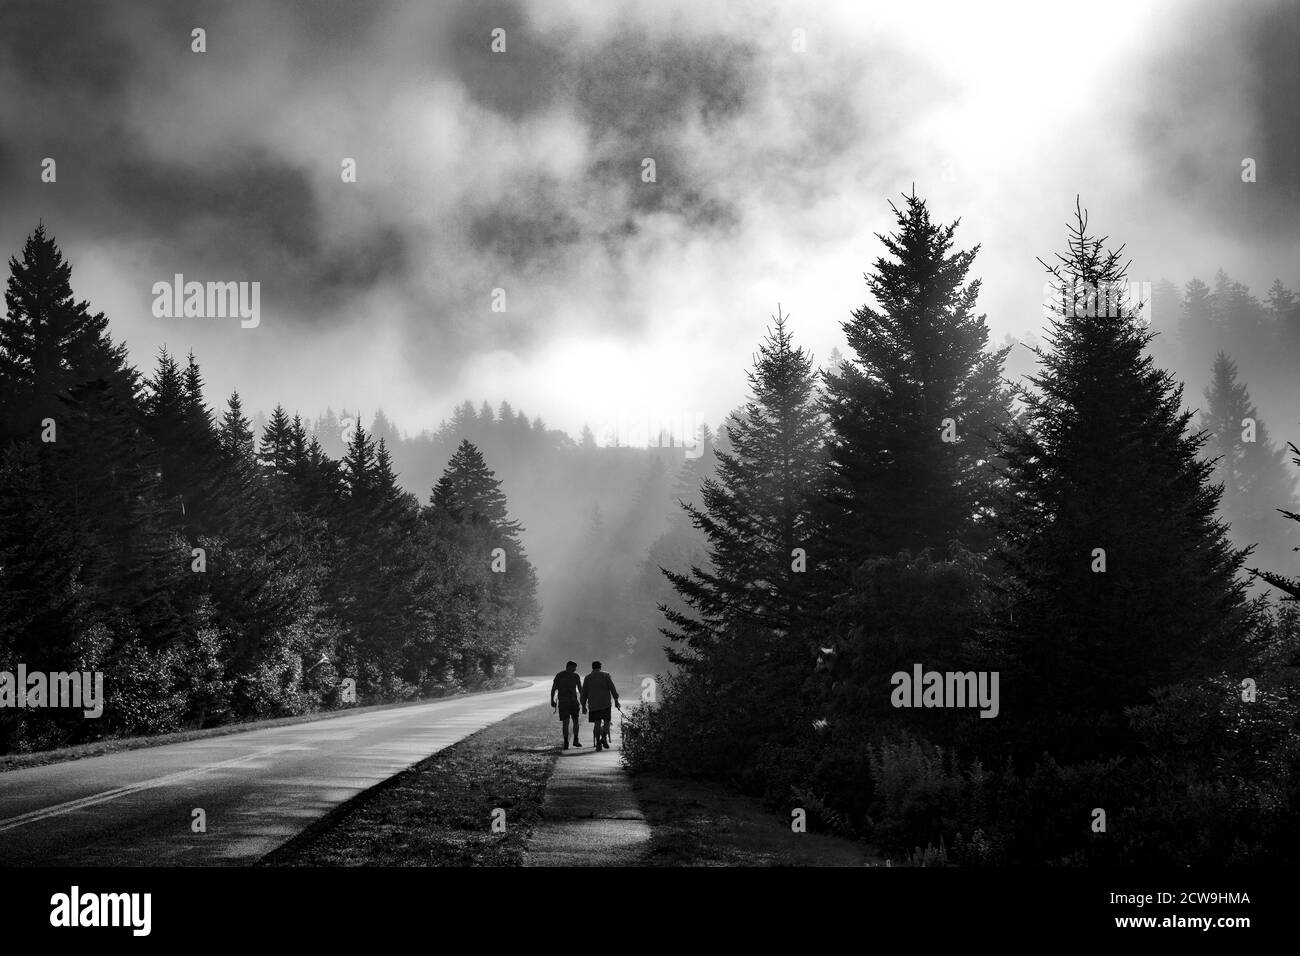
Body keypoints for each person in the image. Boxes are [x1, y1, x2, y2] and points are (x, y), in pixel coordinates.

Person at [581, 661, 620, 751]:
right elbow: (612, 688)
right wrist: (616, 700)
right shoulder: (606, 675)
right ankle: (604, 738)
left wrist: (583, 705)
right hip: (605, 703)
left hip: (593, 704)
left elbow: (584, 692)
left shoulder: (587, 678)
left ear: (592, 667)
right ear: (600, 667)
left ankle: (598, 743)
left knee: (597, 723)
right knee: (607, 721)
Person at [550, 660, 584, 749]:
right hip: (570, 702)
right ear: (569, 667)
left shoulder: (560, 675)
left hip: (565, 702)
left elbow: (553, 689)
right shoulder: (573, 676)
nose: (575, 669)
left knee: (569, 722)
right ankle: (571, 741)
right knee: (572, 722)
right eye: (574, 667)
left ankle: (569, 741)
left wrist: (552, 701)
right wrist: (583, 700)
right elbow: (580, 689)